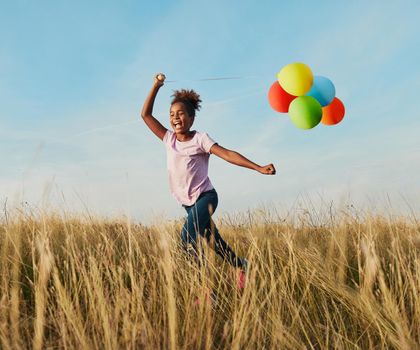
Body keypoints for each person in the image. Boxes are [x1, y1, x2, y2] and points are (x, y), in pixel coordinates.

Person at [141, 73, 276, 289]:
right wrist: (156, 86)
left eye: (181, 114)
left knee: (187, 239)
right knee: (215, 242)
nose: (176, 118)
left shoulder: (200, 139)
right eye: (172, 114)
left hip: (206, 197)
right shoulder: (169, 139)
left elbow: (228, 154)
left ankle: (206, 291)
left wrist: (258, 167)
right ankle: (242, 266)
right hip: (188, 203)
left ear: (192, 118)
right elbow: (145, 115)